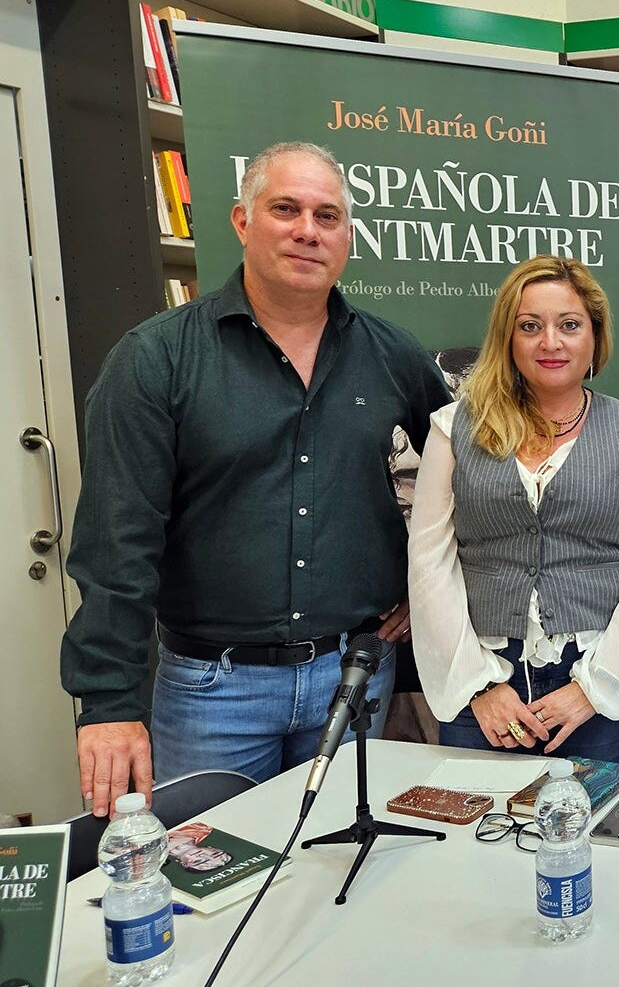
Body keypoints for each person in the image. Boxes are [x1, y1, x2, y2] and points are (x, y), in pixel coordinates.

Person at [61, 141, 451, 815]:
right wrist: (109, 704)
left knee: (339, 867)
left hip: (353, 679)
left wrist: (430, 590)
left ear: (347, 237)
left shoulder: (393, 355)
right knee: (213, 871)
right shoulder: (155, 359)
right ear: (242, 221)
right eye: (285, 209)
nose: (308, 230)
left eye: (327, 216)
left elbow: (473, 481)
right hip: (212, 693)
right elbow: (115, 542)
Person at [407, 255, 619, 761]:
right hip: (483, 676)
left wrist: (592, 688)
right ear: (508, 339)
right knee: (476, 810)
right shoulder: (452, 427)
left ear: (594, 336)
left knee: (586, 810)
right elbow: (429, 562)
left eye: (569, 325)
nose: (550, 342)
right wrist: (479, 686)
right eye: (529, 326)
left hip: (595, 673)